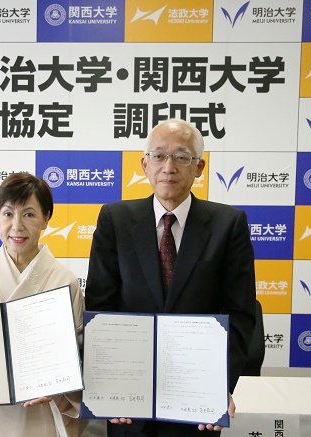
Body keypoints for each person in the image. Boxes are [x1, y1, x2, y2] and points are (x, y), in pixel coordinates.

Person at [85, 119, 256, 437]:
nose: (169, 166)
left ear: (200, 167)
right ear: (144, 164)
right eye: (159, 155)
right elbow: (100, 308)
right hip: (128, 404)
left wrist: (218, 387)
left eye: (182, 156)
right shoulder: (115, 219)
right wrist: (110, 386)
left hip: (196, 404)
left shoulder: (228, 224)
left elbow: (240, 313)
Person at [0, 172, 85, 437]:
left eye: (29, 214)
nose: (17, 226)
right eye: (8, 214)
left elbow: (78, 353)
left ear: (46, 219)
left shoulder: (64, 281)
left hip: (41, 414)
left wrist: (58, 387)